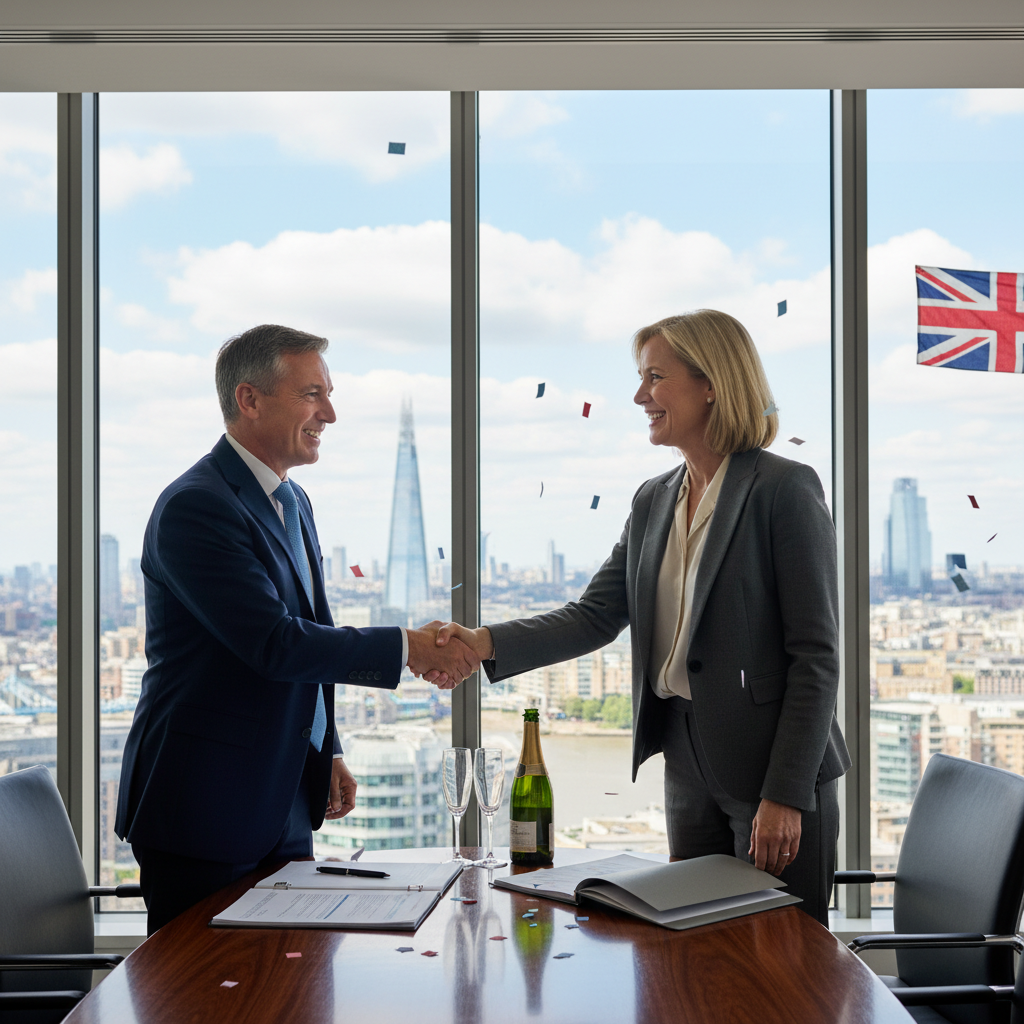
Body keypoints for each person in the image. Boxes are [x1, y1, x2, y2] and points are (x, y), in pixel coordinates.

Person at [435, 310, 851, 924]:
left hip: (775, 771)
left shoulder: (783, 489)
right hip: (686, 759)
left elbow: (816, 657)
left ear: (711, 382)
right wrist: (483, 641)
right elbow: (595, 615)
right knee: (696, 955)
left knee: (781, 963)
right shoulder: (654, 497)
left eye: (655, 377)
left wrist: (785, 794)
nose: (639, 396)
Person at [115, 324, 475, 934]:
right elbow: (275, 644)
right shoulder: (196, 506)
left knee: (291, 985)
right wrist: (407, 647)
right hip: (205, 805)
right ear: (249, 399)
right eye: (313, 394)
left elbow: (312, 628)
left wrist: (325, 746)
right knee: (204, 996)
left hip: (283, 797)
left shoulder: (293, 501)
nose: (330, 413)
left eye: (327, 394)